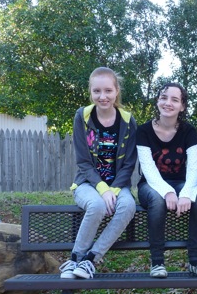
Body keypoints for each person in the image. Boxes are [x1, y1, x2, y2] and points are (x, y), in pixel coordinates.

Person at [58, 67, 138, 280]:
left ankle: (90, 260)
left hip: (118, 185)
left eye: (108, 90)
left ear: (116, 91)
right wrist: (103, 190)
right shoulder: (83, 117)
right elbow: (84, 162)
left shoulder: (128, 121)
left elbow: (129, 164)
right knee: (97, 205)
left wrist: (114, 189)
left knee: (128, 206)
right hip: (87, 184)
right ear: (91, 92)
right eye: (97, 91)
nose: (103, 96)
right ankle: (75, 259)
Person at [136, 82, 197, 278]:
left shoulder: (189, 131)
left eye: (174, 99)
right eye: (163, 97)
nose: (168, 103)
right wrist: (168, 192)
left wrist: (186, 194)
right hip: (150, 185)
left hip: (181, 183)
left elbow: (194, 168)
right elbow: (148, 169)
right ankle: (157, 262)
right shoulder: (143, 131)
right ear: (157, 101)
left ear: (182, 106)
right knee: (157, 199)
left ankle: (195, 261)